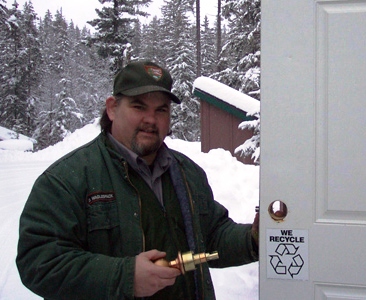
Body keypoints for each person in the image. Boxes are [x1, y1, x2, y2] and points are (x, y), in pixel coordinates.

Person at [16, 61, 259, 300]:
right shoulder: (67, 179)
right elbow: (39, 262)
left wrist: (253, 239)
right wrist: (124, 277)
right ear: (112, 108)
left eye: (161, 110)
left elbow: (212, 237)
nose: (151, 120)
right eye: (139, 107)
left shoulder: (188, 173)